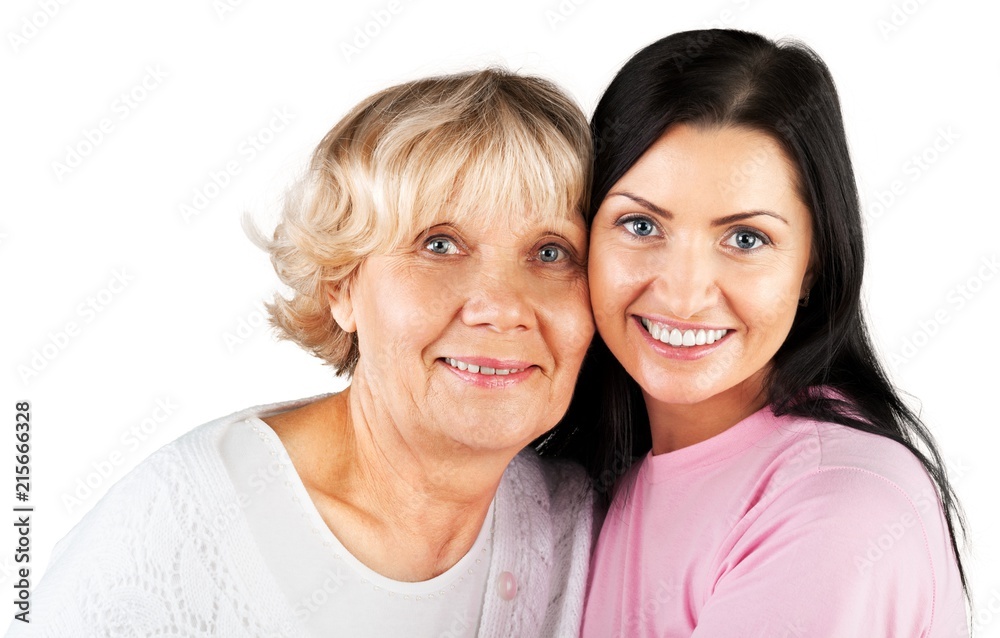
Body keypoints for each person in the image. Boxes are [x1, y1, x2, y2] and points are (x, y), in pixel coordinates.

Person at [9, 69, 597, 637]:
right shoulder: (166, 535)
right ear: (342, 286)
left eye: (551, 253)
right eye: (439, 244)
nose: (502, 307)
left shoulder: (583, 526)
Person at [559, 29, 968, 636]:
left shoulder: (838, 507)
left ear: (813, 265)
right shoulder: (589, 483)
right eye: (641, 224)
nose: (684, 294)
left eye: (746, 239)